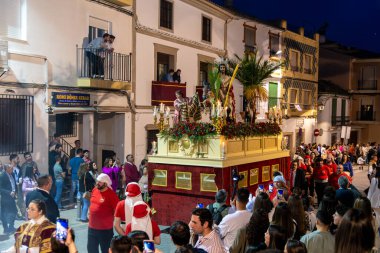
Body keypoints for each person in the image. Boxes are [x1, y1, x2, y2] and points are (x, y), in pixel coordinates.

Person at [88, 173, 119, 253]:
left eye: (100, 182)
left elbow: (117, 210)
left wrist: (116, 222)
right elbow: (92, 201)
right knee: (91, 250)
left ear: (105, 183)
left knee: (106, 251)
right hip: (92, 228)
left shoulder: (111, 195)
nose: (97, 183)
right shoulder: (95, 190)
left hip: (105, 230)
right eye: (97, 181)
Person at [0, 163, 17, 234]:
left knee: (14, 211)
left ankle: (11, 226)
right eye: (11, 168)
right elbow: (0, 188)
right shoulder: (2, 176)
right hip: (5, 198)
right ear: (7, 169)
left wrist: (15, 192)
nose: (12, 169)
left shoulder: (12, 174)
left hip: (12, 197)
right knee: (4, 213)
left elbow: (14, 184)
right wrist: (9, 192)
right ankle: (6, 228)